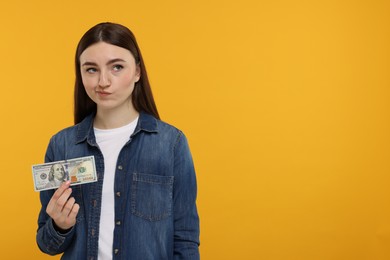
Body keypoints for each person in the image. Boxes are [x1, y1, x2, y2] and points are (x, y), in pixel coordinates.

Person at [36, 22, 200, 260]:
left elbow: (185, 240)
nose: (103, 81)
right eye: (91, 69)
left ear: (137, 72)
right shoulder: (62, 145)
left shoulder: (171, 144)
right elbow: (47, 244)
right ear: (80, 74)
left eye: (117, 67)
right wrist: (60, 226)